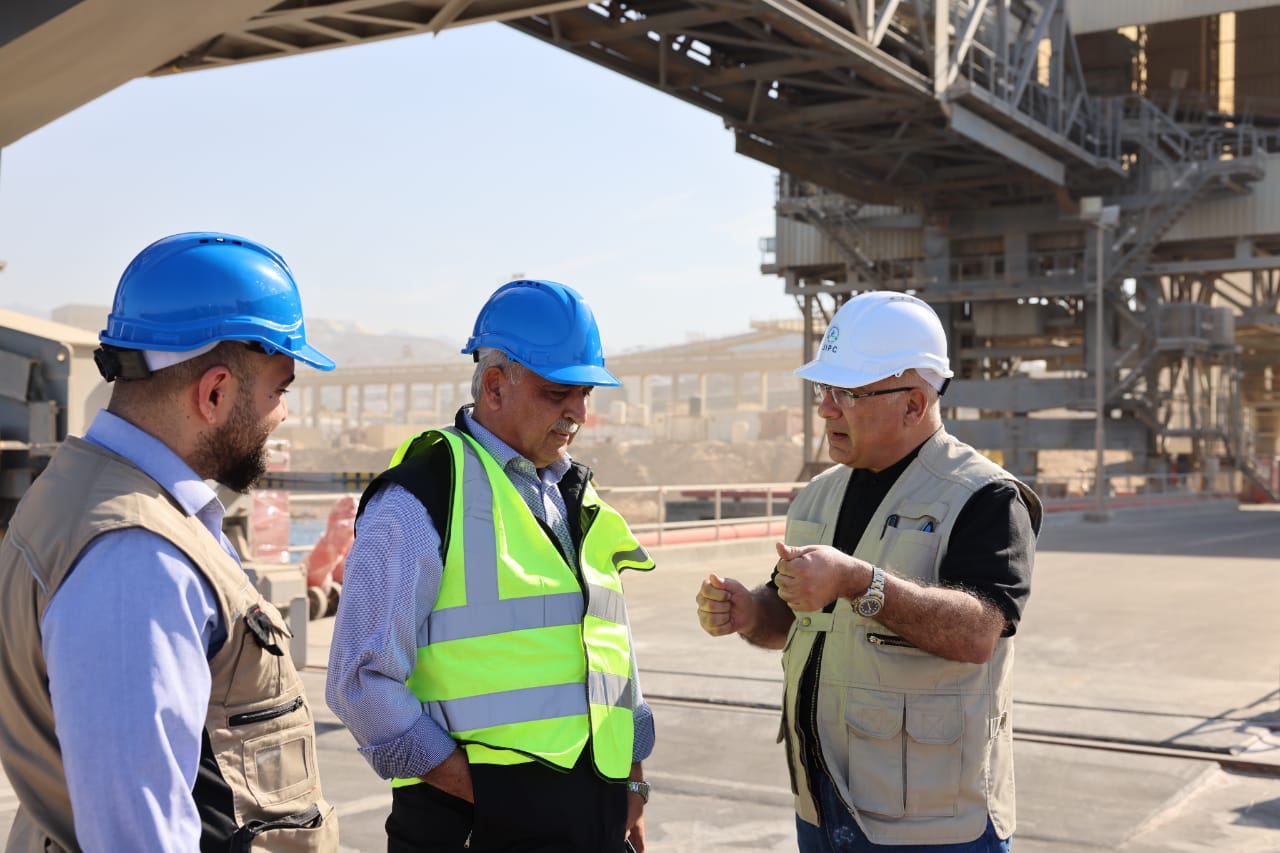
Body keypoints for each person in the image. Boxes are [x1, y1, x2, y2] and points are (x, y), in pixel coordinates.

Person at [0, 232, 340, 851]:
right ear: (214, 393)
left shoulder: (93, 496)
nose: (283, 414)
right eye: (280, 389)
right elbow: (139, 834)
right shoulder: (137, 557)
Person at [696, 291, 1042, 852]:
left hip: (936, 829)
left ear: (913, 404)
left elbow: (979, 632)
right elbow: (794, 621)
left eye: (848, 394)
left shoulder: (984, 497)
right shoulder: (818, 495)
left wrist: (862, 583)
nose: (826, 409)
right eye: (824, 390)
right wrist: (749, 611)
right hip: (824, 807)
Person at [326, 279, 656, 853]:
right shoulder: (421, 497)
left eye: (586, 393)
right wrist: (483, 793)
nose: (579, 412)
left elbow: (609, 652)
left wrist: (632, 778)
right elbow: (358, 682)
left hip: (597, 817)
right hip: (472, 826)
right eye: (558, 391)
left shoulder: (578, 497)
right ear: (496, 386)